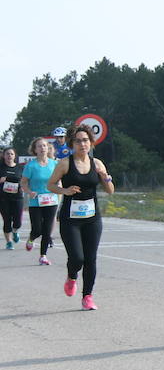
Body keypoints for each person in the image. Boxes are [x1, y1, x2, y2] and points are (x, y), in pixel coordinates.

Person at [47, 124, 115, 310]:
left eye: (85, 140)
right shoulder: (65, 163)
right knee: (77, 258)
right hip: (70, 219)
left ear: (91, 143)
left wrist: (105, 177)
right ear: (72, 144)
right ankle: (71, 277)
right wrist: (65, 190)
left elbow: (110, 191)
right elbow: (51, 185)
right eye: (78, 141)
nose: (82, 144)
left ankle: (88, 297)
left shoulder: (97, 163)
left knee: (91, 258)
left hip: (92, 218)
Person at [20, 138, 59, 265]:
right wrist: (29, 192)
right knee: (37, 229)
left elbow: (59, 179)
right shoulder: (31, 166)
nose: (42, 148)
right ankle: (31, 239)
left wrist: (59, 188)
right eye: (39, 146)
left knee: (47, 230)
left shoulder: (54, 164)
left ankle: (43, 256)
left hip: (51, 200)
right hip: (36, 201)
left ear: (48, 148)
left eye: (44, 146)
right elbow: (24, 182)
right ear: (35, 150)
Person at [1, 147, 24, 250]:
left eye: (11, 154)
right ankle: (9, 242)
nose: (9, 156)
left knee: (17, 221)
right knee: (6, 220)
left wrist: (8, 179)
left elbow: (23, 180)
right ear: (4, 156)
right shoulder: (1, 167)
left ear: (15, 156)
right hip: (3, 198)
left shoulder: (20, 168)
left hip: (17, 197)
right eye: (7, 154)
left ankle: (15, 231)